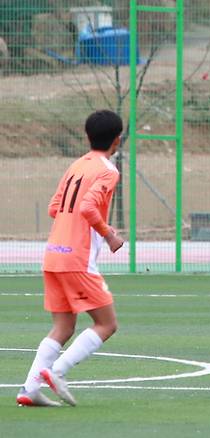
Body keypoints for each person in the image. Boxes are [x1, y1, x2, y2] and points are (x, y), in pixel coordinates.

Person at [16, 110, 125, 407]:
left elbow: (55, 207)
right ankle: (56, 372)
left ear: (88, 136)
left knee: (63, 327)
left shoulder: (76, 165)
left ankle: (29, 389)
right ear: (118, 140)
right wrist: (109, 234)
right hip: (77, 258)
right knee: (107, 323)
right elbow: (89, 207)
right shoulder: (107, 170)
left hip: (53, 254)